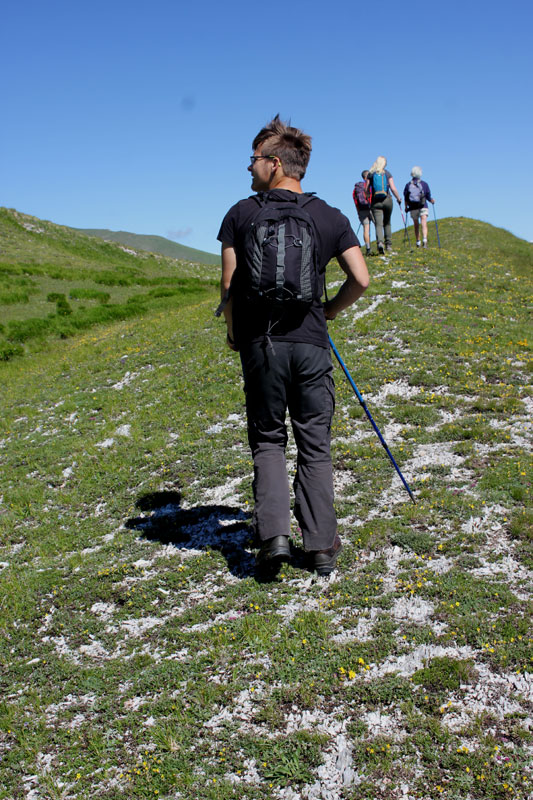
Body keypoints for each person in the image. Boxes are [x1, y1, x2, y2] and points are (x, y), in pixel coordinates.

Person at [217, 115, 369, 576]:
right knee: (314, 444)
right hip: (310, 344)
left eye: (254, 160)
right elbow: (360, 279)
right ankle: (321, 547)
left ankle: (275, 539)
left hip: (261, 345)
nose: (249, 169)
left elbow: (227, 289)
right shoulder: (329, 216)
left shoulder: (241, 214)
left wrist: (233, 330)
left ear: (276, 163)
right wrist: (330, 311)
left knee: (267, 439)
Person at [365, 156, 402, 254]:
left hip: (375, 201)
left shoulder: (371, 174)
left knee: (378, 224)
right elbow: (393, 188)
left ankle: (380, 243)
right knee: (387, 222)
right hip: (387, 200)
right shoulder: (387, 173)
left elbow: (366, 189)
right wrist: (398, 198)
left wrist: (368, 197)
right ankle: (388, 245)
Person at [403, 166, 435, 248]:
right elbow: (428, 196)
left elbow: (406, 197)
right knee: (424, 222)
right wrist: (431, 200)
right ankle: (425, 240)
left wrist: (406, 207)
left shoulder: (408, 185)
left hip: (413, 207)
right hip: (423, 205)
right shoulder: (424, 184)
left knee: (416, 224)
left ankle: (418, 242)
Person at [352, 170, 372, 257]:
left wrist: (358, 212)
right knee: (378, 225)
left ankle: (368, 248)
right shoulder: (369, 185)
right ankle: (381, 245)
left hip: (362, 210)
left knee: (366, 228)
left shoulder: (356, 188)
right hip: (371, 207)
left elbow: (355, 201)